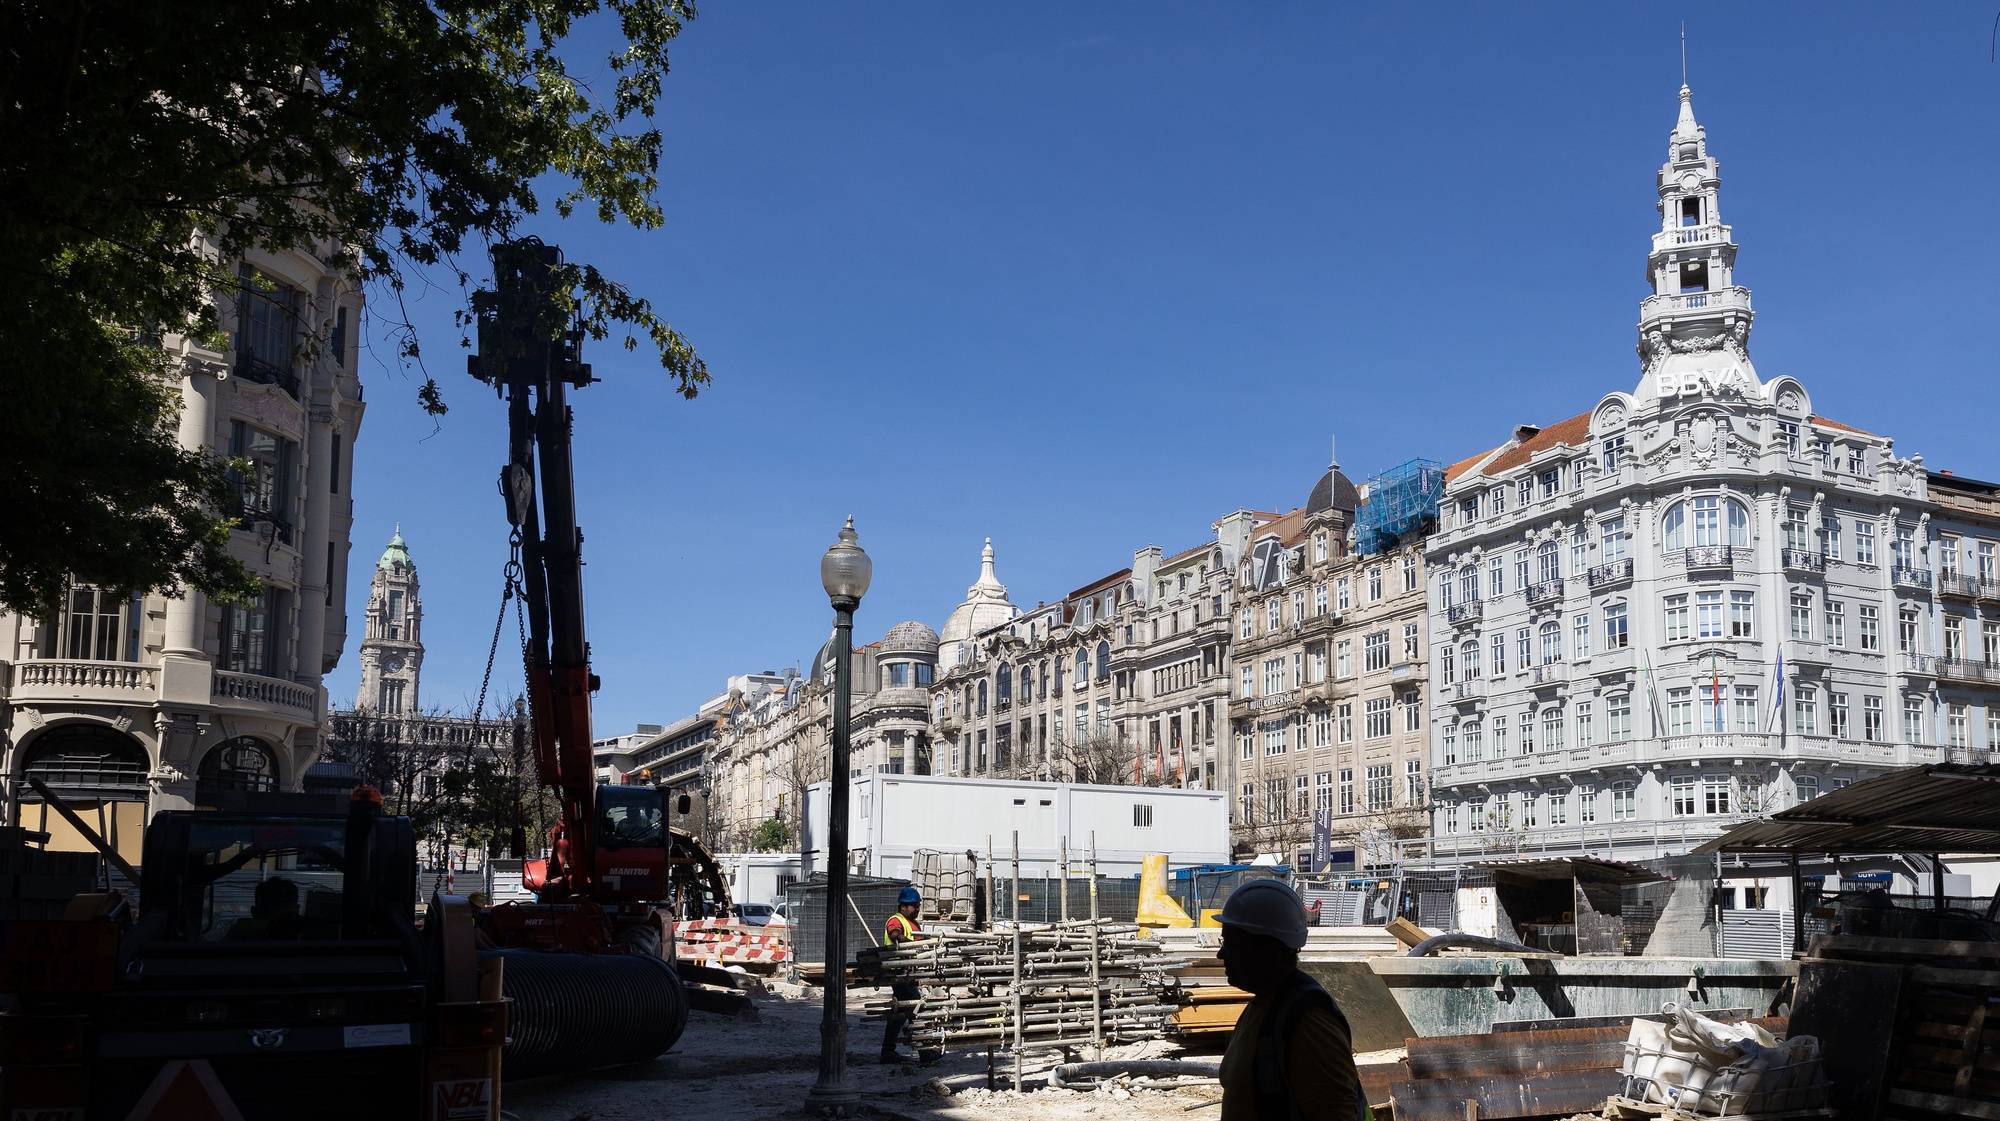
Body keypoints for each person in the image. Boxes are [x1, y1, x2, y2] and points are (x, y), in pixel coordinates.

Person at [1216, 879, 1363, 1121]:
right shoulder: (1263, 1006)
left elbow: (1336, 1111)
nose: (1221, 954)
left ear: (1266, 947)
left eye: (1231, 943)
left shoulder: (1308, 1020)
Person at [880, 884, 929, 1064]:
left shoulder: (914, 923)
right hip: (899, 973)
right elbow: (894, 934)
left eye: (918, 906)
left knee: (899, 1014)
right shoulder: (896, 920)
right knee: (917, 1009)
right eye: (914, 906)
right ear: (903, 906)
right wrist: (910, 944)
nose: (917, 909)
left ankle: (887, 1051)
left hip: (909, 974)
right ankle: (925, 1051)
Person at [226, 876, 304, 941]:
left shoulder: (242, 934)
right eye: (289, 916)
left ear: (254, 912)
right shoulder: (309, 935)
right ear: (298, 909)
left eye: (289, 917)